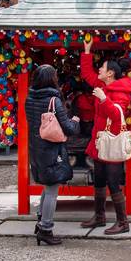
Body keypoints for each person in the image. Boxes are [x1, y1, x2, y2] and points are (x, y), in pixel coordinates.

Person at [80, 39, 131, 235]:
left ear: (110, 73)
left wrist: (104, 100)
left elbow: (116, 114)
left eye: (102, 68)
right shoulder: (102, 85)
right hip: (100, 140)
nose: (99, 71)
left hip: (111, 141)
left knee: (113, 182)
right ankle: (100, 216)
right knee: (99, 180)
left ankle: (123, 222)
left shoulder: (120, 91)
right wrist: (87, 51)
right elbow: (87, 74)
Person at [25, 64, 80, 246]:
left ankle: (40, 223)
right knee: (52, 189)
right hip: (51, 149)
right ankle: (46, 229)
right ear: (51, 79)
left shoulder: (29, 97)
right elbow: (68, 128)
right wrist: (76, 119)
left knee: (47, 186)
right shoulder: (53, 100)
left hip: (36, 147)